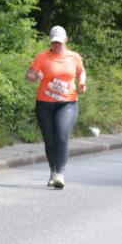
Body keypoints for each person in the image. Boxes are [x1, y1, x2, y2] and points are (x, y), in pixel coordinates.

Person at [26, 26, 87, 189]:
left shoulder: (74, 57)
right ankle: (52, 171)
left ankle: (60, 173)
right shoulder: (42, 57)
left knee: (61, 134)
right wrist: (35, 76)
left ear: (65, 40)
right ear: (51, 42)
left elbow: (81, 72)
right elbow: (29, 75)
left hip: (67, 103)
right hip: (44, 104)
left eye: (59, 42)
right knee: (49, 140)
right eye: (54, 42)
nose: (56, 45)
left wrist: (82, 83)